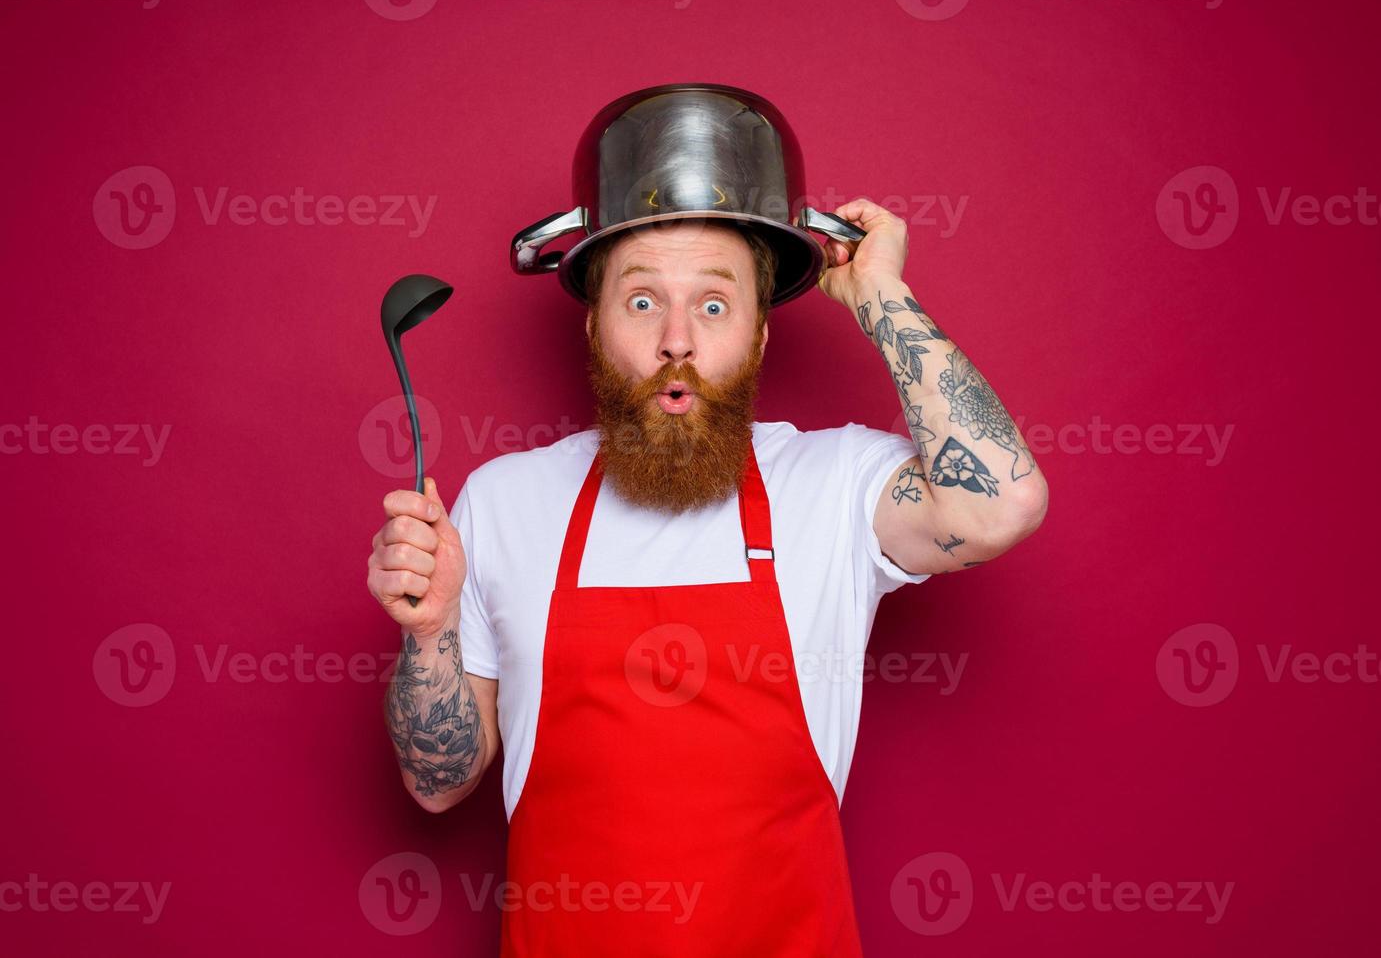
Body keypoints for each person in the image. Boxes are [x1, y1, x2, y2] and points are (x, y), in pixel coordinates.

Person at [366, 199, 1048, 955]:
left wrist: (878, 291)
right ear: (593, 325)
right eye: (641, 300)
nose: (676, 340)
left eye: (713, 304)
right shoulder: (504, 499)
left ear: (757, 337)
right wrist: (428, 633)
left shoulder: (831, 483)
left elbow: (999, 506)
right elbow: (438, 784)